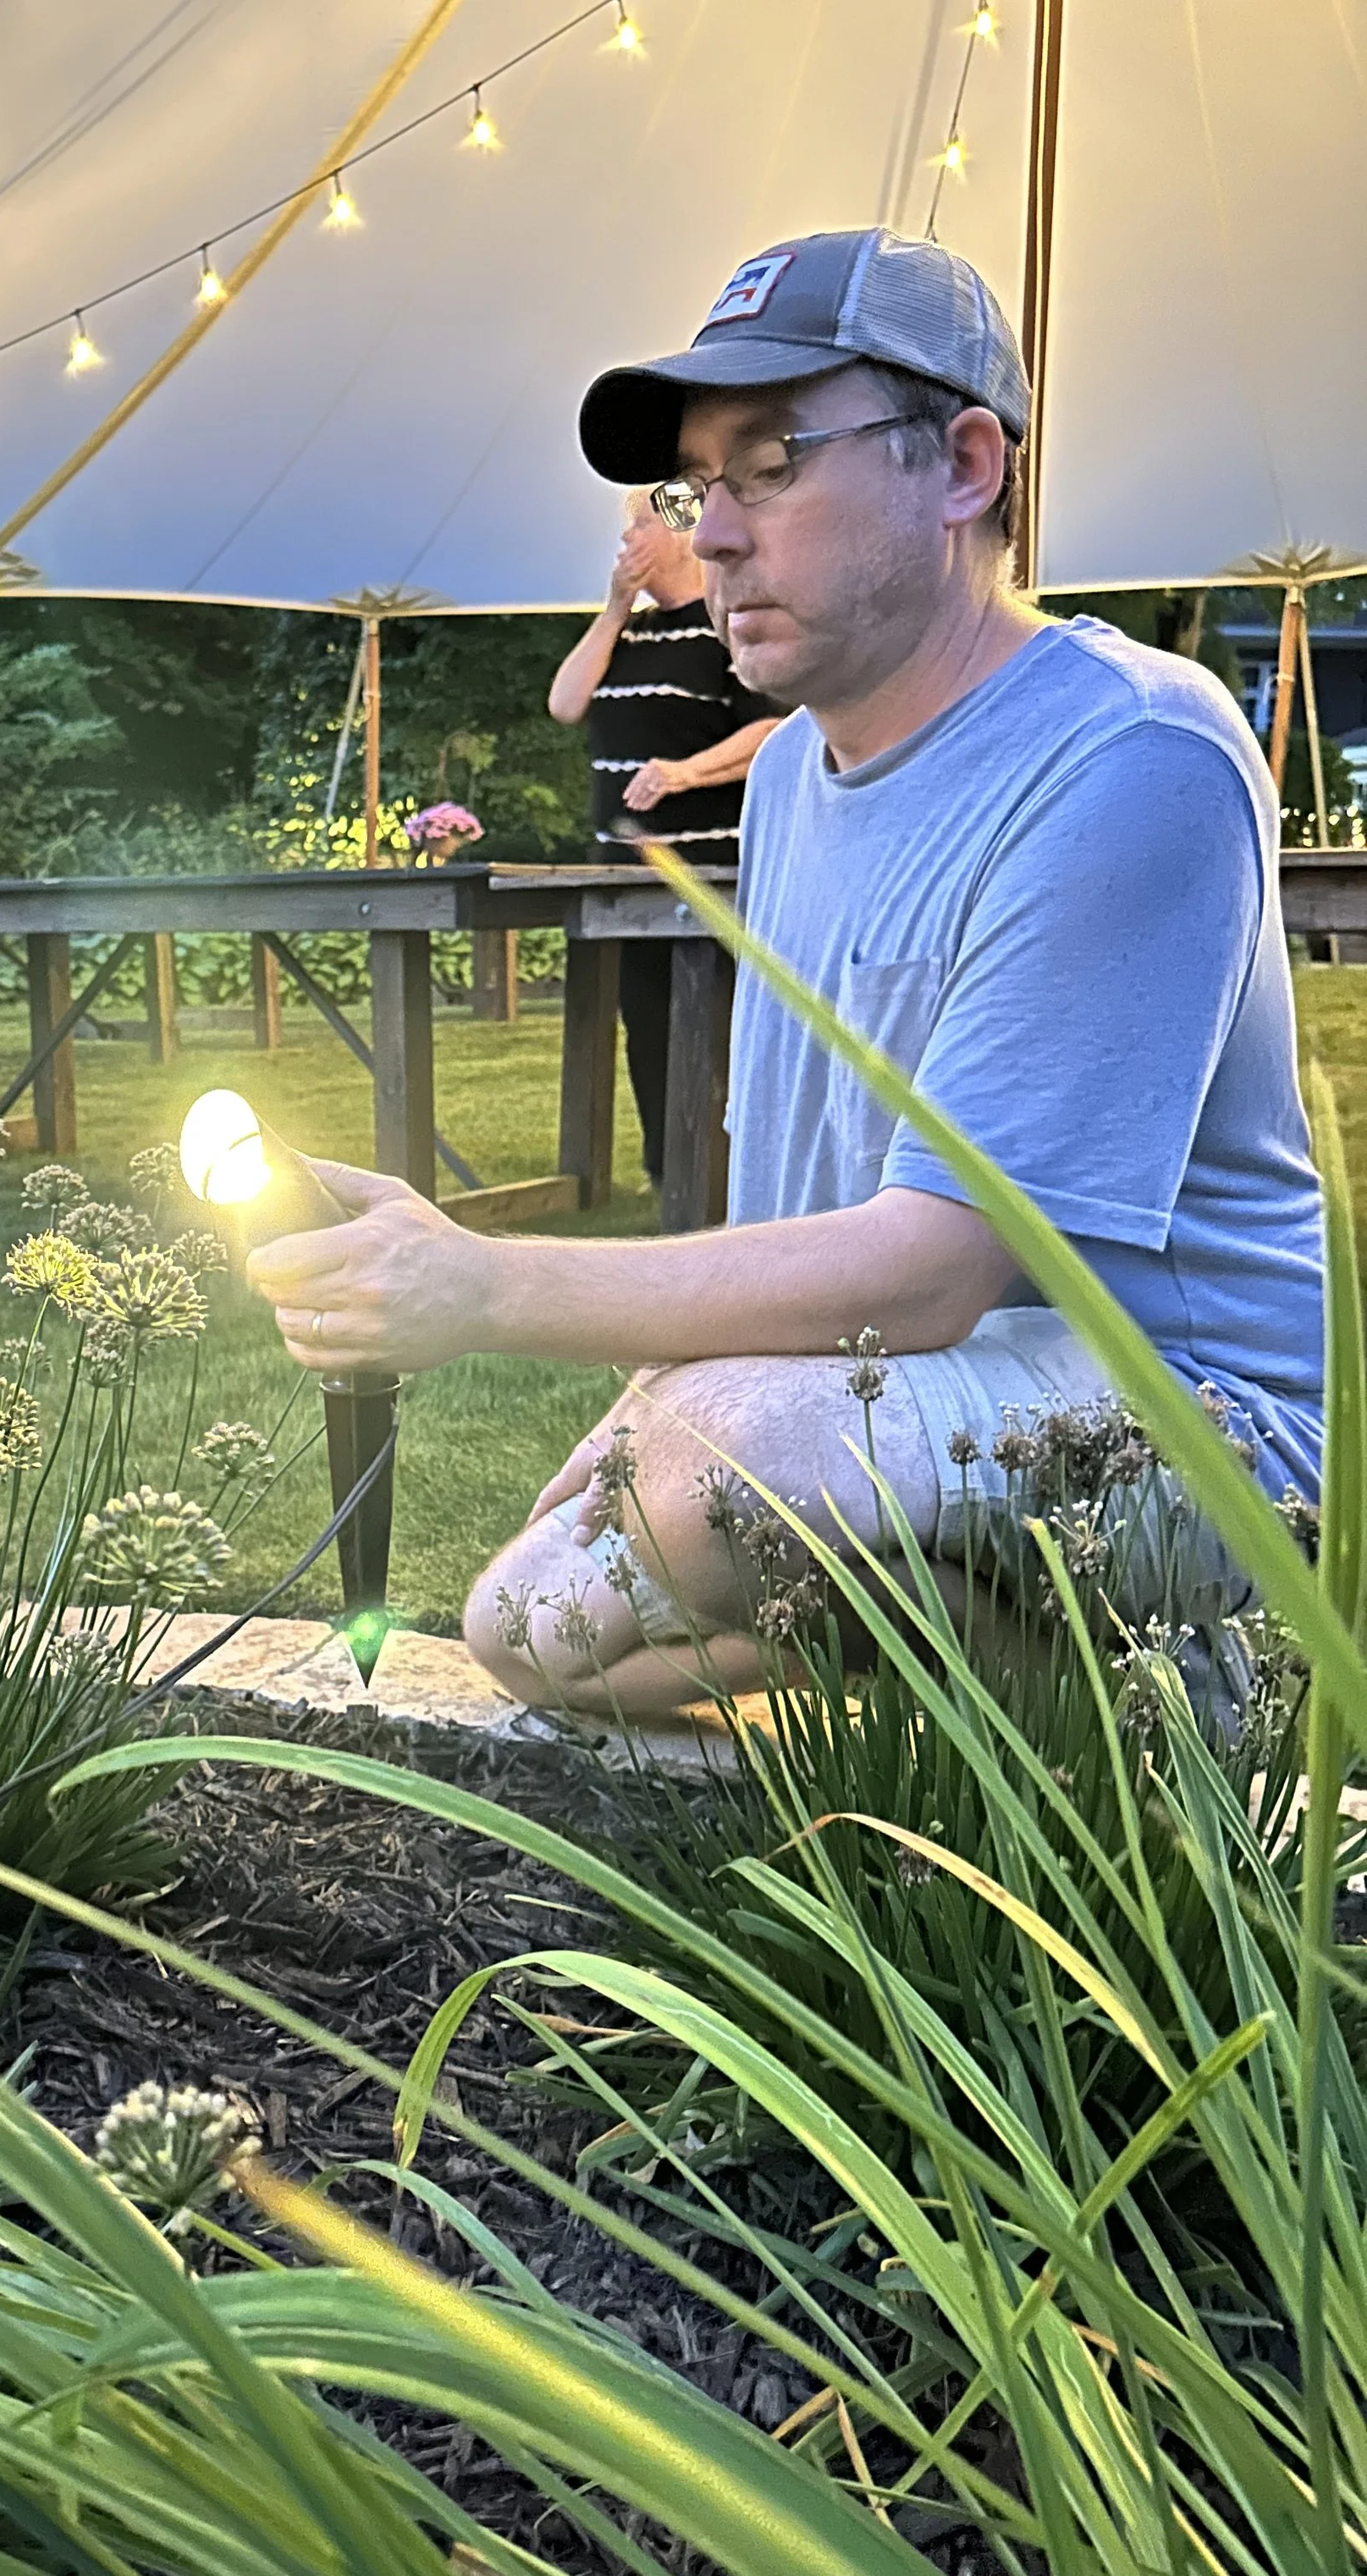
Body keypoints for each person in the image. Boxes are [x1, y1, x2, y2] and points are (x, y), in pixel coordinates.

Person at [245, 228, 1325, 1724]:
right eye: (699, 485)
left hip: (1203, 1433)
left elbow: (930, 1269)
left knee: (712, 1472)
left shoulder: (1131, 752)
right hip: (919, 1396)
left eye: (771, 465)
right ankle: (1092, 1702)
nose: (714, 534)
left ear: (961, 467)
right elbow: (802, 1229)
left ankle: (1214, 1675)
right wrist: (666, 1397)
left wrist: (487, 1283)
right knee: (524, 1623)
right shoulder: (793, 785)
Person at [548, 491, 782, 1197]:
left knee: (723, 1026)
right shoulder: (624, 635)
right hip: (623, 880)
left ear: (684, 533)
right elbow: (565, 704)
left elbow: (774, 729)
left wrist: (684, 772)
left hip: (709, 873)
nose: (629, 545)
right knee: (645, 1026)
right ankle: (666, 1172)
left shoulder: (727, 629)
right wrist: (614, 609)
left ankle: (737, 1171)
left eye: (642, 527)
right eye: (625, 533)